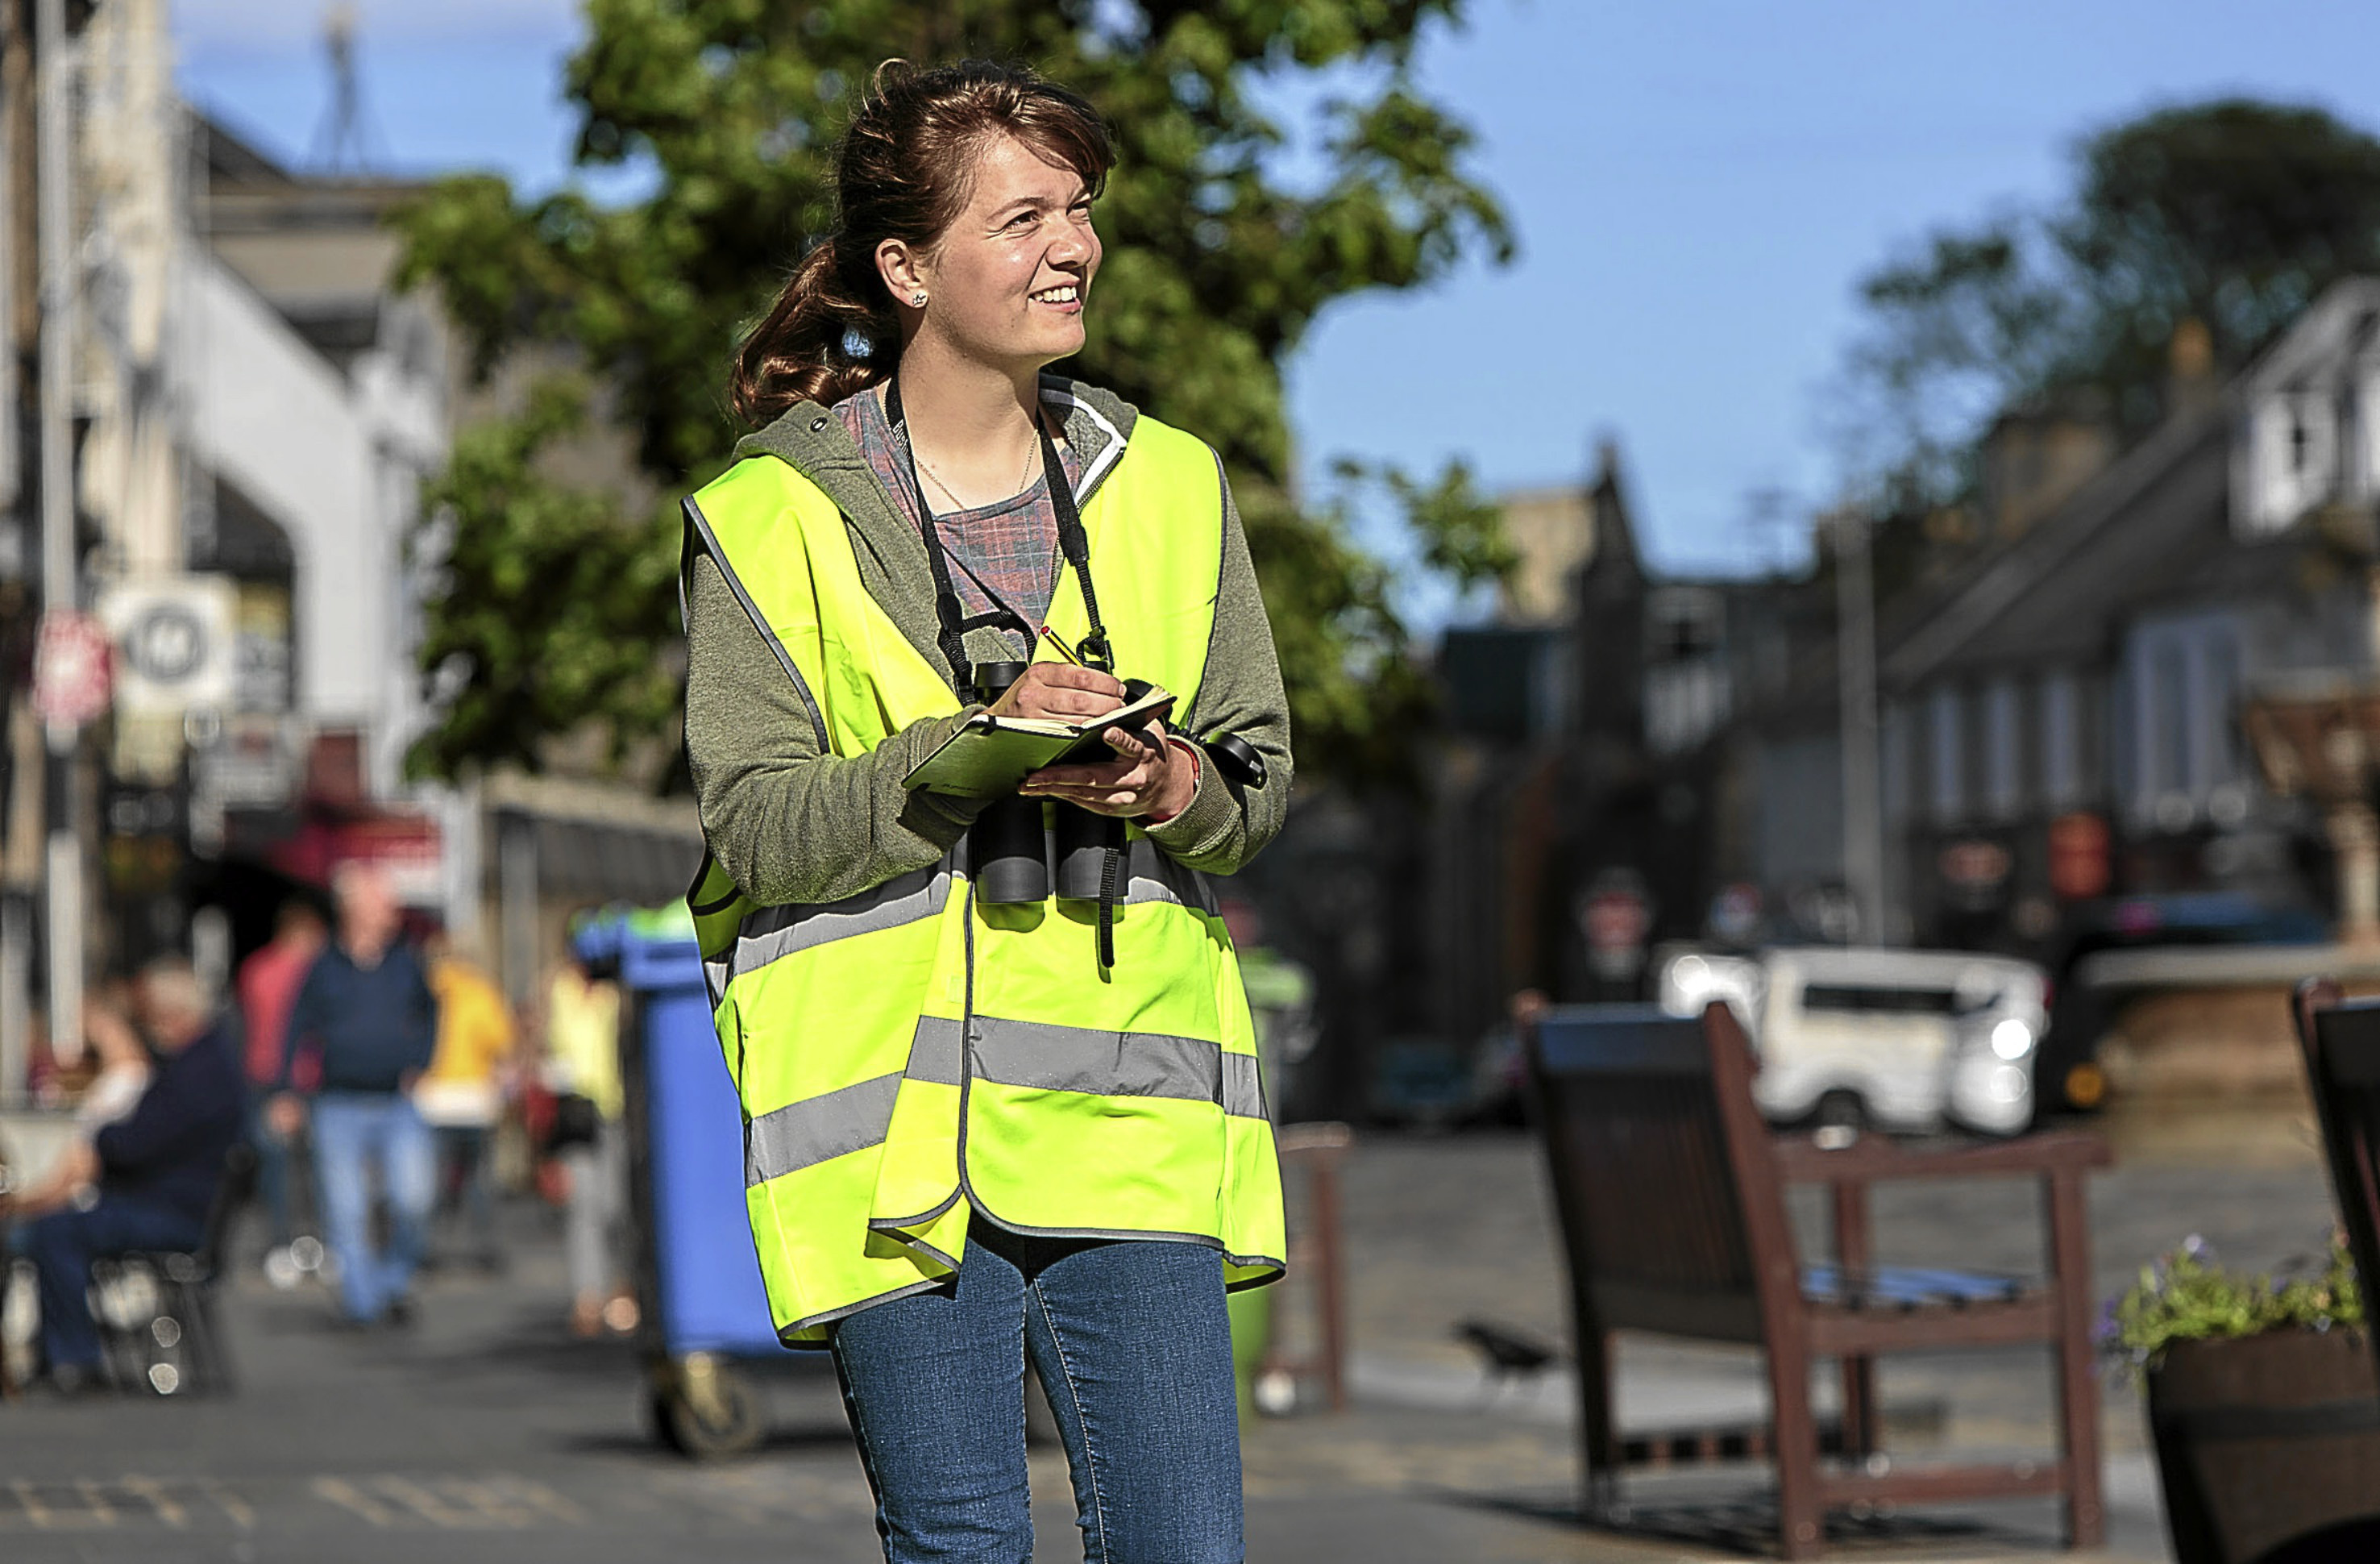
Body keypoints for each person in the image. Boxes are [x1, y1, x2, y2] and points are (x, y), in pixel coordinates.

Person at [682, 60, 1292, 1560]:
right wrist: (967, 753)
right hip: (889, 1132)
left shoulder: (1170, 484)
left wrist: (1168, 782)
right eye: (1021, 217)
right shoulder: (764, 519)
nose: (1069, 246)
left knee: (1184, 1549)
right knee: (957, 1546)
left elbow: (1253, 781)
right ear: (906, 267)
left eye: (1077, 209)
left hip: (1124, 1110)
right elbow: (754, 826)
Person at [8, 959, 243, 1394]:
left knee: (57, 1231)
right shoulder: (208, 1062)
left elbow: (133, 1144)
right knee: (55, 1223)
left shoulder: (197, 1072)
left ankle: (74, 1359)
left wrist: (103, 1140)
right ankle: (61, 1351)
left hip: (173, 1210)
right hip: (176, 1201)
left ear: (172, 1016)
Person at [269, 862, 438, 1326]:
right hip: (338, 1102)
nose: (393, 911)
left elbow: (430, 1011)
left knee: (414, 1198)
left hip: (395, 1100)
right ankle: (364, 1303)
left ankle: (393, 1281)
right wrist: (285, 1090)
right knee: (346, 1207)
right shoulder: (324, 967)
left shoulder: (406, 961)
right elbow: (294, 1027)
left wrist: (421, 1061)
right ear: (354, 910)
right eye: (382, 902)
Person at [417, 930, 515, 1272]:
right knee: (477, 1179)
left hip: (432, 1098)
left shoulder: (425, 991)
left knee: (435, 1179)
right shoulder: (480, 992)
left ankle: (427, 1246)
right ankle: (485, 1247)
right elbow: (501, 1042)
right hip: (474, 1101)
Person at [239, 897, 326, 1268]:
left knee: (274, 1164)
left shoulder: (255, 969)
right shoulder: (312, 972)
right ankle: (315, 1241)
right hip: (308, 1076)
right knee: (315, 1165)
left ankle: (278, 1242)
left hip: (263, 1074)